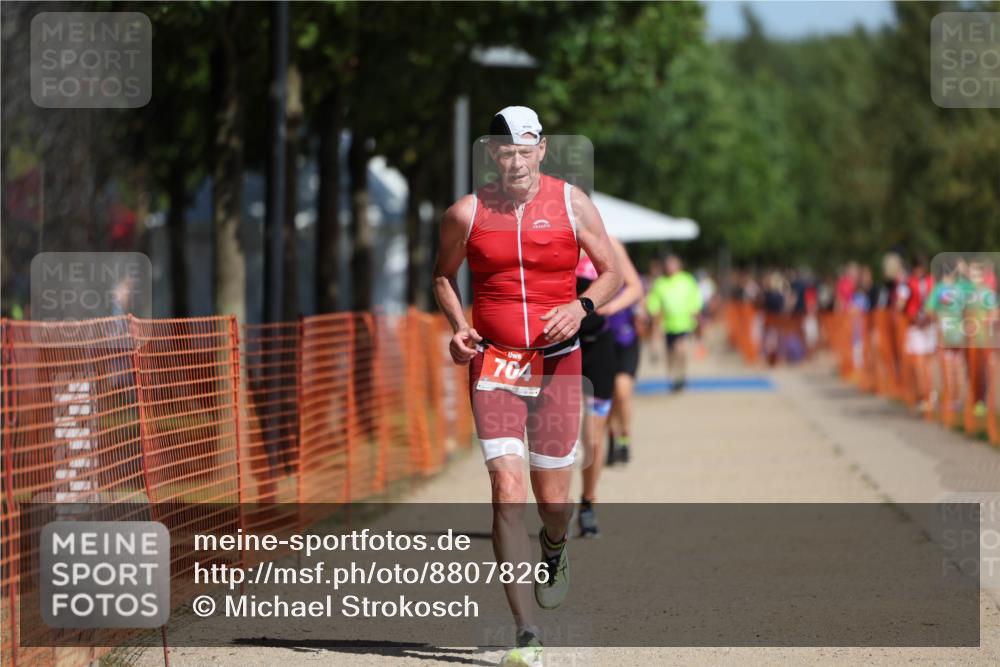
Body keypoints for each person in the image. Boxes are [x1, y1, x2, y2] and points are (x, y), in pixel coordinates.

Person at [432, 106, 621, 667]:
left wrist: (581, 305)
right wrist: (460, 329)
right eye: (504, 150)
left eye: (524, 148)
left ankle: (555, 546)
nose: (514, 159)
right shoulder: (466, 213)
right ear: (493, 154)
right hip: (494, 366)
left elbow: (610, 272)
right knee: (507, 490)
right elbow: (442, 275)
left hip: (558, 361)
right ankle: (526, 633)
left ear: (542, 150)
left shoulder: (571, 203)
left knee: (554, 502)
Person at [574, 238, 641, 539]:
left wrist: (610, 305)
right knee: (554, 434)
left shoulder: (608, 242)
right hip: (558, 349)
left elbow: (635, 286)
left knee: (592, 434)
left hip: (598, 347)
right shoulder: (544, 238)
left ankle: (587, 503)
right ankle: (552, 508)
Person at [646, 254, 702, 390]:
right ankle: (673, 375)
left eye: (673, 264)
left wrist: (697, 320)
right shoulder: (660, 283)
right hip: (668, 325)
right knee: (670, 353)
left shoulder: (687, 280)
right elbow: (654, 305)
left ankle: (681, 377)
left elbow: (695, 300)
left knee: (680, 349)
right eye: (668, 265)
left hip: (684, 323)